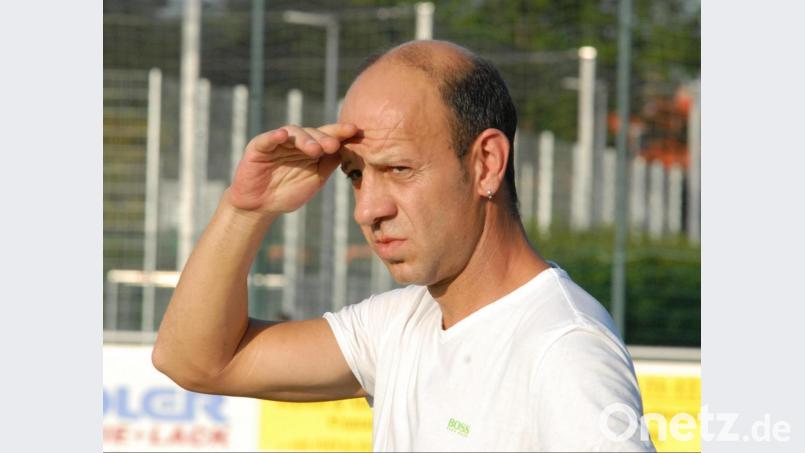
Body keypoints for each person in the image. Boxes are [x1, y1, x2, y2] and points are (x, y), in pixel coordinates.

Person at [153, 40, 655, 451]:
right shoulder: (400, 324)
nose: (367, 209)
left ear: (485, 164)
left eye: (398, 169)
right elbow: (194, 361)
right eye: (354, 175)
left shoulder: (564, 348)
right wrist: (246, 210)